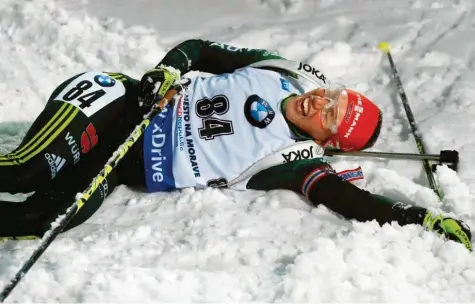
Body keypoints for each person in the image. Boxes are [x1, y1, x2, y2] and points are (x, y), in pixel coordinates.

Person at [0, 39, 471, 251]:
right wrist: (168, 70)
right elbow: (201, 50)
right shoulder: (282, 70)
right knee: (25, 169)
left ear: (327, 140)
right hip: (117, 103)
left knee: (46, 218)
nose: (319, 101)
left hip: (118, 160)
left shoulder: (289, 161)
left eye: (330, 114)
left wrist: (417, 216)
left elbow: (353, 201)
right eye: (333, 96)